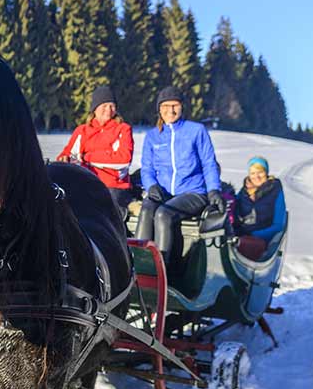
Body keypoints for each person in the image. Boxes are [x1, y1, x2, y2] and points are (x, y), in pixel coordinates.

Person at [136, 86, 224, 265]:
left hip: (193, 192)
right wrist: (151, 185)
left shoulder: (196, 131)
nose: (171, 110)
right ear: (159, 109)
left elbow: (208, 163)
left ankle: (161, 270)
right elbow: (147, 168)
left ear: (182, 107)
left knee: (163, 214)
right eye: (165, 106)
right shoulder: (153, 136)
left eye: (175, 105)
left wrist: (214, 190)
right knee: (146, 210)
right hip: (163, 192)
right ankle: (138, 266)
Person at [56, 86, 134, 218]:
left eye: (112, 106)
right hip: (85, 183)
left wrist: (88, 157)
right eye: (104, 105)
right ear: (95, 108)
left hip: (113, 186)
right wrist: (65, 158)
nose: (108, 110)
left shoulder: (123, 129)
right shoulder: (82, 131)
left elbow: (123, 159)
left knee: (100, 209)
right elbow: (67, 155)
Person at [234, 156, 286, 260]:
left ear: (266, 172)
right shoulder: (243, 193)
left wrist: (253, 234)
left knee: (247, 244)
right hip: (240, 236)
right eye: (253, 173)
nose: (256, 176)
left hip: (263, 240)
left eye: (260, 172)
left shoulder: (275, 191)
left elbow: (279, 225)